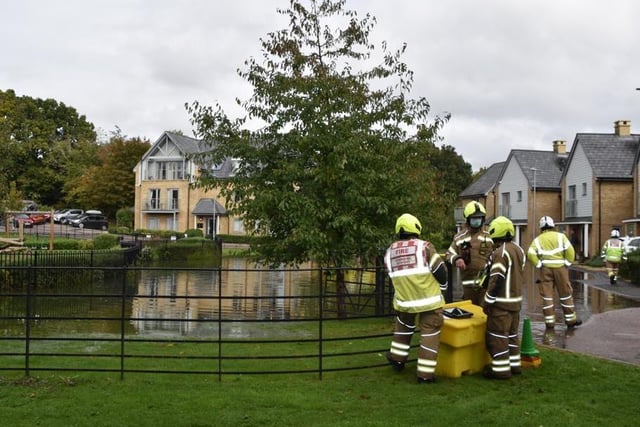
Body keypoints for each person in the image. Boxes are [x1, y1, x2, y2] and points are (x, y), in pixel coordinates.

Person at [384, 213, 448, 383]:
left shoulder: (390, 251)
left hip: (404, 301)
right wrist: (443, 287)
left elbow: (392, 275)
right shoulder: (425, 247)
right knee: (429, 336)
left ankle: (397, 360)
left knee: (403, 329)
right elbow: (441, 271)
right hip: (429, 302)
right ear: (417, 228)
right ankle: (425, 376)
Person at [480, 216, 525, 379]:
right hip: (516, 303)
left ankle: (500, 370)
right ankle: (515, 365)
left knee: (497, 336)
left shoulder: (500, 253)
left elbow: (496, 279)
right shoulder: (519, 249)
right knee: (512, 335)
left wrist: (488, 301)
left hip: (501, 305)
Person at [527, 216, 582, 330]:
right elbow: (570, 251)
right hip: (561, 269)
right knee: (565, 294)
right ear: (553, 226)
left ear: (541, 228)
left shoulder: (538, 239)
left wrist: (539, 264)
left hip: (545, 269)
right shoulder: (561, 237)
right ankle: (571, 320)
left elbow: (530, 254)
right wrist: (567, 263)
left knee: (547, 296)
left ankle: (550, 322)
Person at [447, 201, 493, 305]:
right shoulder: (459, 237)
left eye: (479, 218)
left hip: (486, 284)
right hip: (467, 285)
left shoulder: (490, 236)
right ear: (467, 219)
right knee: (469, 313)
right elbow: (449, 254)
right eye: (474, 219)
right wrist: (456, 259)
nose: (477, 221)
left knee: (486, 313)